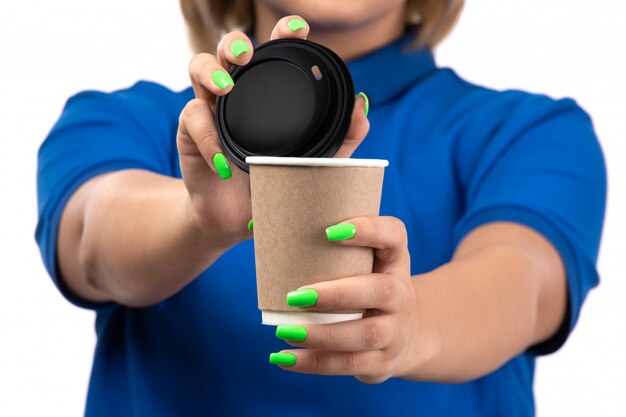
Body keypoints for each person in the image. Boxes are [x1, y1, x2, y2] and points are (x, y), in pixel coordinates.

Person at [35, 0, 606, 416]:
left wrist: (406, 328)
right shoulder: (119, 121)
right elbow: (91, 243)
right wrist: (199, 218)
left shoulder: (530, 132)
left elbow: (523, 284)